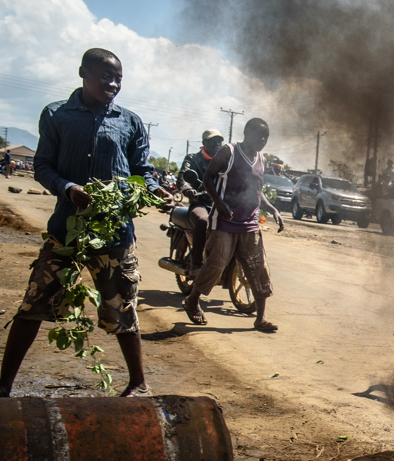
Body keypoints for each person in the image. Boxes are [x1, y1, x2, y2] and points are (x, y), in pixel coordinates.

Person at [0, 48, 167, 399]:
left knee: (123, 307)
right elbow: (44, 165)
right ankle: (3, 384)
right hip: (67, 232)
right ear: (83, 73)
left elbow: (143, 171)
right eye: (106, 75)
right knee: (34, 303)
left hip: (115, 233)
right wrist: (68, 188)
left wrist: (154, 190)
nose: (113, 83)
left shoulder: (130, 121)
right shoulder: (57, 114)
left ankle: (138, 383)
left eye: (118, 77)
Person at [182, 118, 283, 332]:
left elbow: (257, 191)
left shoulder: (261, 159)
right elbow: (209, 178)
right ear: (247, 133)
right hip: (224, 223)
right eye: (259, 136)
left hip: (250, 223)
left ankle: (260, 318)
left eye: (266, 137)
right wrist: (220, 203)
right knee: (215, 266)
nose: (263, 140)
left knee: (258, 268)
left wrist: (272, 209)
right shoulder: (229, 152)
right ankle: (192, 301)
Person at [177, 129, 225, 275]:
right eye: (213, 142)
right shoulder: (193, 159)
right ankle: (196, 265)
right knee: (203, 221)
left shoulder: (224, 161)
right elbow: (183, 177)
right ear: (204, 143)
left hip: (219, 204)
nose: (218, 145)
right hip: (200, 202)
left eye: (219, 142)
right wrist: (187, 189)